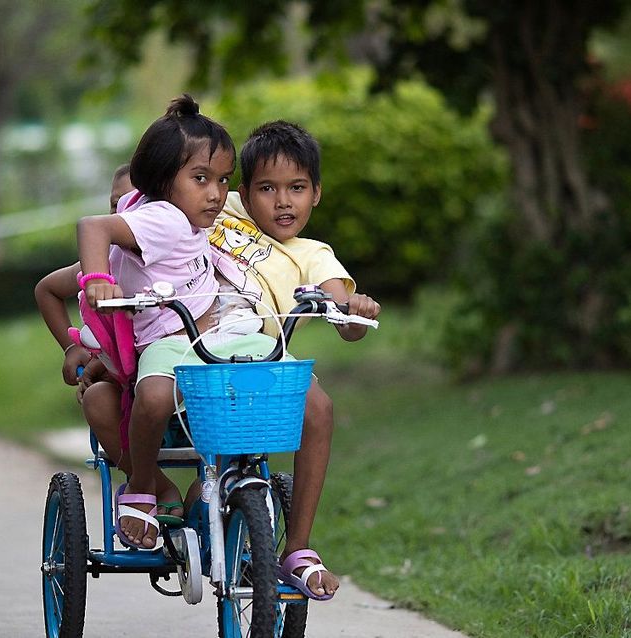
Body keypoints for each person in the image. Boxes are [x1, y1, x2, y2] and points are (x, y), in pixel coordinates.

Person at [206, 120, 381, 600]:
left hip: (262, 359)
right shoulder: (221, 209)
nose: (283, 201)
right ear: (243, 192)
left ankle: (298, 549)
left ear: (316, 194)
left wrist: (355, 311)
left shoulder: (313, 255)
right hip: (193, 348)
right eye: (267, 188)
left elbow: (344, 315)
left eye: (297, 188)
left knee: (318, 408)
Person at [78, 94, 261, 551]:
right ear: (163, 181)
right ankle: (143, 487)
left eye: (222, 179)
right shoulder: (165, 219)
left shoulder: (185, 215)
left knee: (265, 373)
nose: (217, 193)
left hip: (208, 335)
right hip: (175, 342)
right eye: (202, 179)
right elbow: (92, 227)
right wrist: (98, 279)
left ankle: (205, 486)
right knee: (156, 394)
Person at [35, 163, 189, 518]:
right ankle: (152, 484)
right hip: (129, 390)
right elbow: (46, 290)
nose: (127, 214)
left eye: (139, 205)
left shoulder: (185, 257)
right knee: (97, 399)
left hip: (183, 382)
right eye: (117, 205)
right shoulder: (103, 268)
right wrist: (72, 346)